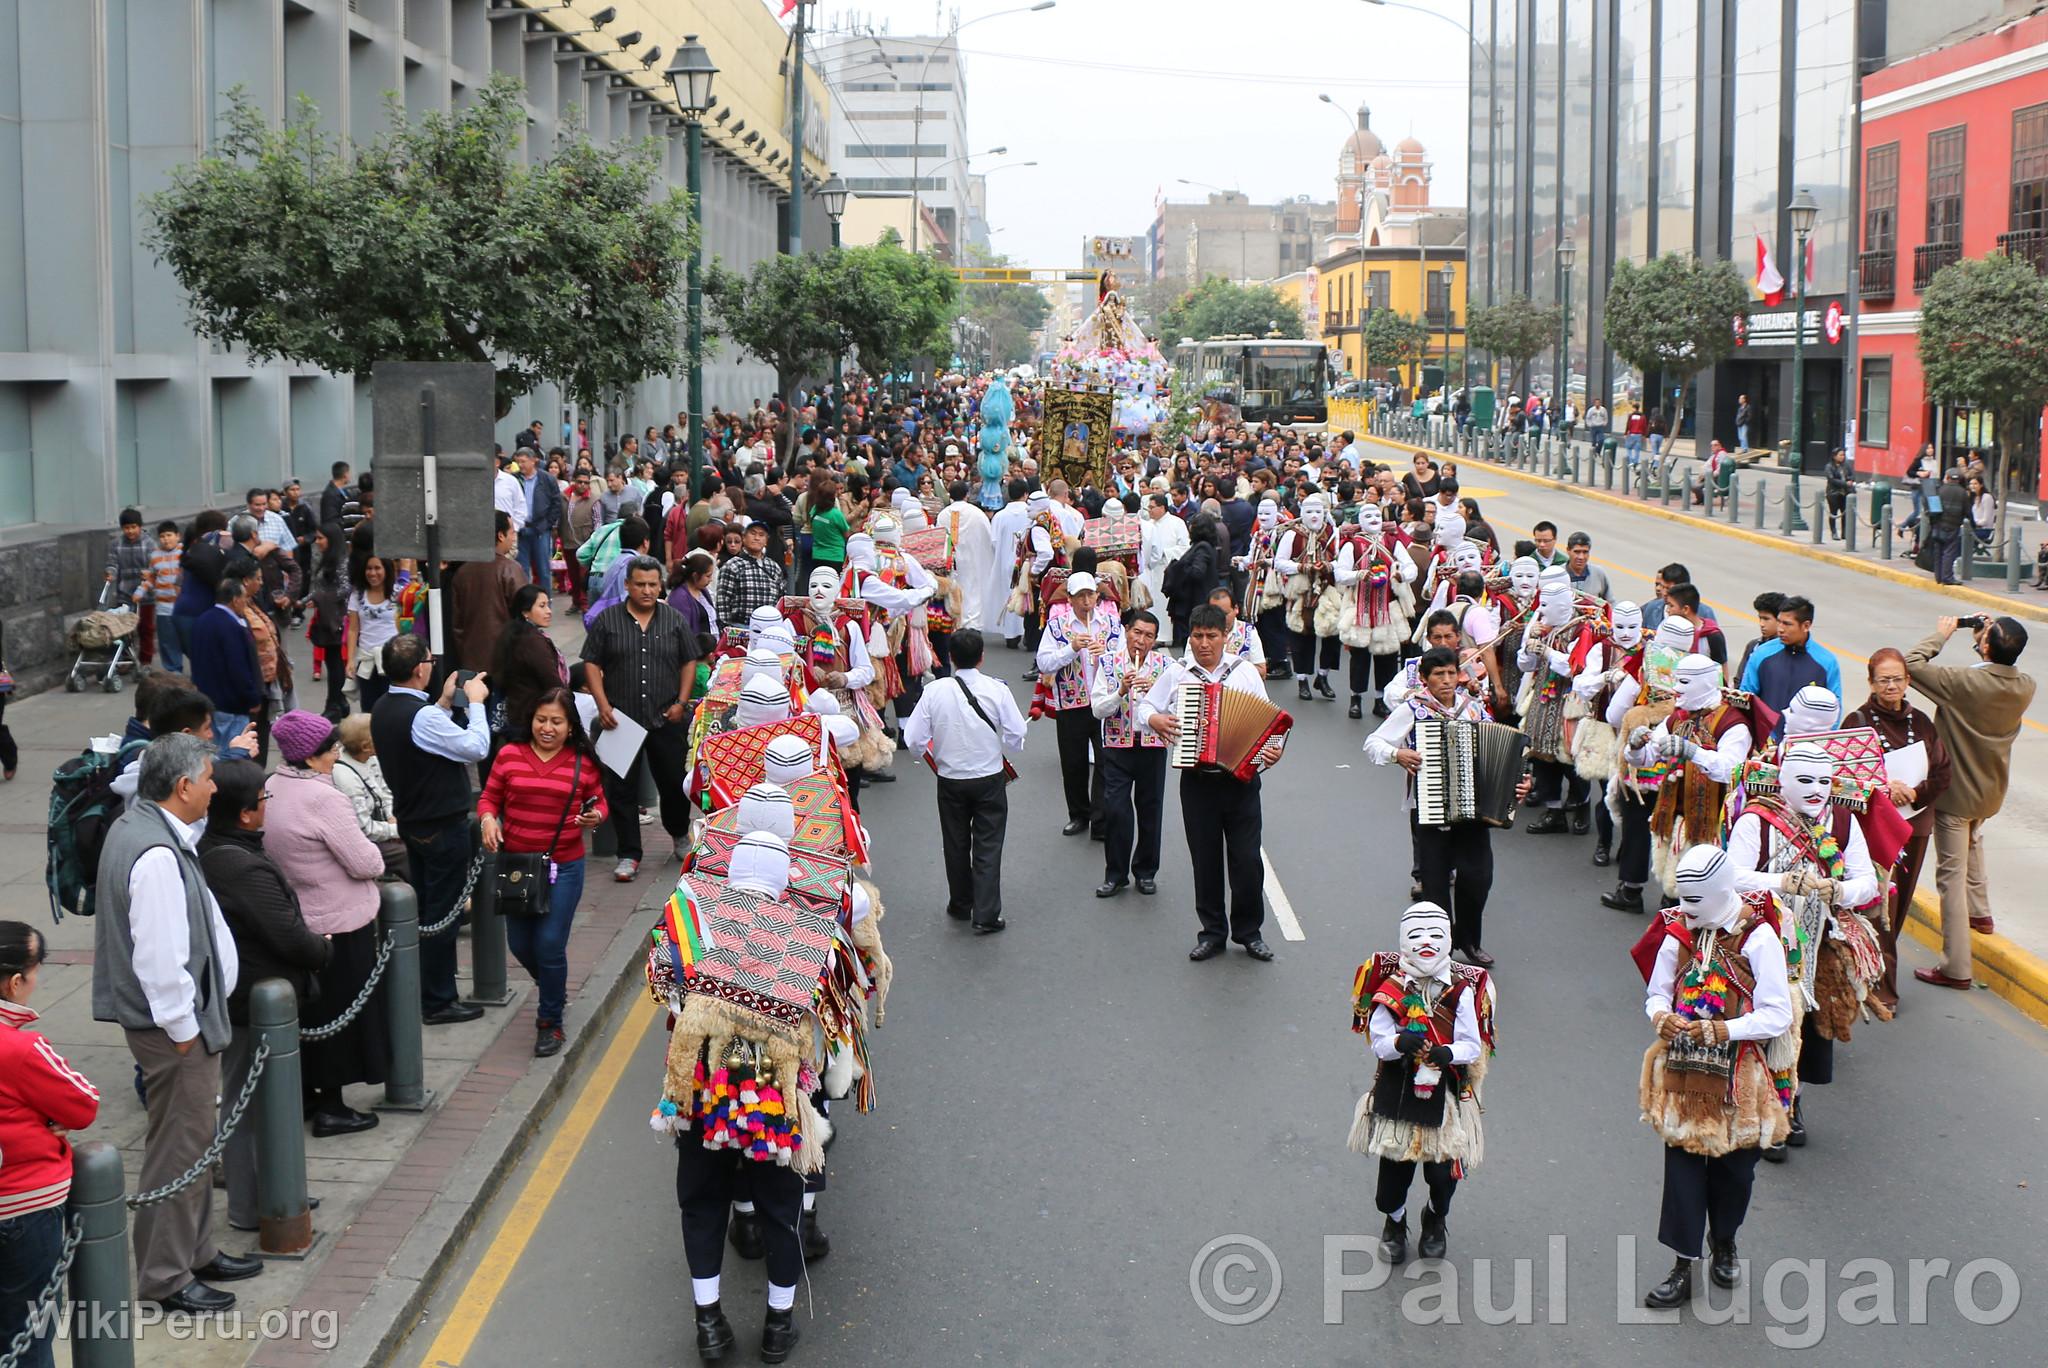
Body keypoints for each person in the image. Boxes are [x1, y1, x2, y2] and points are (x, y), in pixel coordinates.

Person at [91, 733, 261, 1313]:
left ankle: (197, 1252)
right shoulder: (156, 853)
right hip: (174, 1031)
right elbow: (161, 961)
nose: (216, 787)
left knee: (192, 1145)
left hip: (178, 1027)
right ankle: (166, 1276)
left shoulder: (140, 825)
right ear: (184, 787)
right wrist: (186, 1034)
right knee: (180, 1153)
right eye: (209, 778)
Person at [1634, 845, 1794, 1309]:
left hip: (1740, 1076)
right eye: (1681, 899)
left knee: (1736, 1172)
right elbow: (1655, 993)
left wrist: (1725, 1029)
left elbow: (1777, 1014)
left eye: (1694, 901)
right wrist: (1661, 1017)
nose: (1684, 911)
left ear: (1723, 892)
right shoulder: (1676, 932)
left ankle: (1724, 1240)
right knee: (1683, 1166)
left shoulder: (1759, 938)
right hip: (1683, 1070)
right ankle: (1683, 1265)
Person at [197, 758, 332, 1232]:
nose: (268, 805)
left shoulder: (220, 848)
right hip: (253, 1004)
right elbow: (289, 936)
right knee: (247, 1104)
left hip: (250, 998)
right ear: (246, 814)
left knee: (265, 1102)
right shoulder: (241, 867)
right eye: (263, 799)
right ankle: (251, 1206)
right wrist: (321, 949)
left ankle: (278, 1188)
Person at [1347, 901, 1496, 1266]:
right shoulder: (1391, 988)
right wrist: (1399, 1043)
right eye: (1416, 935)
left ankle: (1435, 1218)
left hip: (1445, 1098)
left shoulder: (1461, 990)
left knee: (1443, 1176)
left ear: (1447, 939)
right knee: (1393, 1176)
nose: (1426, 942)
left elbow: (1471, 1045)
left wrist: (1447, 1054)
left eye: (1435, 934)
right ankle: (1394, 1223)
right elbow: (1379, 1040)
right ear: (1403, 942)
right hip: (1399, 1092)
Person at [1136, 603, 1286, 963]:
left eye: (1212, 636)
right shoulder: (1178, 673)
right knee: (1204, 860)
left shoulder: (1245, 672)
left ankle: (1250, 933)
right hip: (1197, 780)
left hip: (1241, 781)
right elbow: (1144, 707)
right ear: (1191, 638)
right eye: (1198, 636)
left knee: (1247, 860)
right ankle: (1212, 933)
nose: (1205, 644)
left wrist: (1273, 749)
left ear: (1226, 637)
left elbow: (1269, 722)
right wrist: (1155, 719)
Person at [264, 711, 389, 1128]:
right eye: (332, 749)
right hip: (341, 921)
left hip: (299, 922)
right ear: (314, 757)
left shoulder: (272, 787)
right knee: (341, 1017)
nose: (336, 756)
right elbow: (364, 861)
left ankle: (306, 1097)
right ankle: (333, 1110)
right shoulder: (325, 798)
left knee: (311, 1017)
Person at [1907, 616, 2035, 989]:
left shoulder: (1964, 683)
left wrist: (1943, 632)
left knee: (1950, 876)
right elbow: (1994, 668)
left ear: (1986, 647)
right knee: (1974, 841)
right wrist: (1986, 642)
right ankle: (1981, 915)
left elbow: (1912, 664)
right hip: (1989, 790)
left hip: (1956, 792)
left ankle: (1956, 967)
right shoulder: (2025, 685)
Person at [480, 687, 607, 1057]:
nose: (546, 728)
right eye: (540, 720)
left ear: (570, 727)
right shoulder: (508, 755)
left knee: (550, 943)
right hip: (517, 867)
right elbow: (489, 797)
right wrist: (488, 818)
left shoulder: (583, 763)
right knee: (520, 944)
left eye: (556, 721)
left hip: (565, 865)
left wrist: (595, 817)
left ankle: (549, 1021)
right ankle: (554, 986)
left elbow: (599, 802)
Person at [371, 635, 490, 1024]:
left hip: (413, 822)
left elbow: (426, 731)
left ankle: (424, 988)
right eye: (428, 661)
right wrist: (475, 703)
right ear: (420, 668)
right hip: (441, 826)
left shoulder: (385, 706)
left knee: (426, 910)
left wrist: (442, 703)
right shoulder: (420, 716)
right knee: (443, 915)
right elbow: (475, 748)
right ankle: (438, 1000)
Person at [1366, 646, 1507, 965]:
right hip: (1430, 811)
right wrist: (1397, 755)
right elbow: (1374, 742)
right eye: (1438, 675)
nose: (1445, 680)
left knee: (1478, 877)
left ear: (1458, 674)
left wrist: (1516, 783)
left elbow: (1498, 747)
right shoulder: (1413, 709)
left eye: (1450, 673)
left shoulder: (1473, 709)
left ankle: (1469, 940)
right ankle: (1440, 948)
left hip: (1473, 811)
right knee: (1435, 886)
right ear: (1426, 680)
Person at [0, 922, 101, 1368]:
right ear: (16, 982)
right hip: (23, 1207)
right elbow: (83, 1104)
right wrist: (44, 1115)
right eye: (37, 968)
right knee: (27, 1335)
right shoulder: (21, 1049)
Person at [1843, 649, 1952, 1011]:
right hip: (1875, 829)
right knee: (1877, 903)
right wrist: (1884, 789)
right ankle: (1879, 985)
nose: (1892, 686)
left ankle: (1877, 975)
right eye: (1884, 679)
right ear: (1871, 682)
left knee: (1899, 905)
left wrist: (1914, 792)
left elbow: (1942, 773)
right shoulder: (1857, 722)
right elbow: (1844, 778)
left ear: (1907, 681)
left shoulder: (1921, 721)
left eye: (1898, 679)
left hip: (1914, 827)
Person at [581, 556, 700, 881]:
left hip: (666, 716)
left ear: (660, 585)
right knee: (620, 790)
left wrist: (682, 701)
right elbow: (591, 662)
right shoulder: (608, 621)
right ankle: (629, 854)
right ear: (628, 586)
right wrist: (602, 704)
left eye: (652, 584)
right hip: (620, 718)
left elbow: (689, 660)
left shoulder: (673, 620)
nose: (647, 590)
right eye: (640, 584)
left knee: (675, 783)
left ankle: (678, 834)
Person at [903, 629, 1027, 933]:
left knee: (955, 842)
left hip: (950, 778)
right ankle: (985, 913)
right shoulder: (997, 690)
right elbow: (1015, 734)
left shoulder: (935, 691)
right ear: (982, 657)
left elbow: (914, 739)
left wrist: (924, 754)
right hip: (988, 776)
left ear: (951, 658)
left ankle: (961, 903)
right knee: (988, 844)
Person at [1090, 608, 1172, 898]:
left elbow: (1176, 709)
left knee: (1151, 810)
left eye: (1148, 636)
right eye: (1137, 632)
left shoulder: (1166, 666)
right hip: (1117, 747)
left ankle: (1146, 872)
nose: (1141, 640)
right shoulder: (1109, 663)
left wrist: (1155, 696)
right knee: (1116, 810)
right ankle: (1115, 874)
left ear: (1154, 640)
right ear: (1126, 631)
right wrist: (1121, 690)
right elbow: (1098, 709)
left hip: (1151, 747)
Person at [1036, 571, 1122, 839]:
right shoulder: (1056, 626)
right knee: (1073, 765)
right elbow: (1044, 663)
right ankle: (1078, 815)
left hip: (1103, 702)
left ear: (1098, 596)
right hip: (1070, 704)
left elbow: (1124, 660)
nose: (1087, 601)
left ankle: (1101, 818)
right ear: (1070, 599)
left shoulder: (1112, 623)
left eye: (1091, 595)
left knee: (1106, 762)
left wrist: (1106, 655)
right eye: (1080, 596)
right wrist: (1071, 648)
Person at [187, 577, 264, 753]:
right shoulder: (231, 627)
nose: (246, 602)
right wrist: (252, 697)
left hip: (207, 701)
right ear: (235, 599)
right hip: (231, 705)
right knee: (233, 754)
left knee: (212, 753)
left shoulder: (202, 620)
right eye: (244, 597)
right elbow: (238, 668)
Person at [1737, 594, 1841, 718]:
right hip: (1766, 736)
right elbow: (1746, 697)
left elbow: (1835, 709)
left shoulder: (1827, 662)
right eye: (1779, 622)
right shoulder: (1761, 653)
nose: (1780, 629)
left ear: (1806, 626)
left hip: (1804, 737)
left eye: (1787, 624)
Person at [450, 511, 530, 673]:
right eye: (512, 532)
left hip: (470, 661)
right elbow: (525, 615)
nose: (513, 537)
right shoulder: (510, 569)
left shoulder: (462, 572)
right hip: (506, 661)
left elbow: (457, 624)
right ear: (501, 535)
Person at [491, 584, 568, 742]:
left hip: (519, 712)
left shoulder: (517, 634)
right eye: (542, 606)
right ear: (525, 612)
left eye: (548, 604)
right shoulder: (532, 642)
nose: (549, 611)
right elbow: (552, 681)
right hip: (530, 716)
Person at [333, 714, 406, 878]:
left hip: (382, 824)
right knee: (407, 852)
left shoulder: (371, 757)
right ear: (366, 746)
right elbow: (365, 829)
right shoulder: (346, 778)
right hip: (364, 840)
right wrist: (397, 831)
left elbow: (385, 790)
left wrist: (391, 816)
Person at [345, 555, 401, 716]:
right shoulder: (357, 595)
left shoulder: (398, 594)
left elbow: (405, 626)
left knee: (391, 708)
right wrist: (350, 660)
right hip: (366, 660)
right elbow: (353, 629)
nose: (372, 573)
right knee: (368, 709)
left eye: (377, 568)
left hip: (392, 660)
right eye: (369, 568)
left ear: (386, 570)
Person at [515, 446, 565, 585]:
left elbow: (556, 504)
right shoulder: (515, 479)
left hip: (541, 530)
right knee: (522, 570)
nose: (520, 465)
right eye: (518, 461)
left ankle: (545, 602)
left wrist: (546, 524)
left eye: (524, 461)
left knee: (543, 571)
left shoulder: (547, 479)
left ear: (533, 461)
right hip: (520, 529)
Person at [1733, 591, 1785, 685]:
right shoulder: (1753, 646)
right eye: (1760, 618)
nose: (1761, 624)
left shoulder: (1788, 649)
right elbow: (1740, 679)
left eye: (1766, 619)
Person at [1563, 531, 1609, 601]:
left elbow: (1610, 602)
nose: (1581, 557)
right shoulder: (1559, 574)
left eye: (1585, 552)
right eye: (1577, 552)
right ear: (1568, 550)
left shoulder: (1598, 573)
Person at [1824, 450, 1851, 540]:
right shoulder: (1829, 466)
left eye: (1843, 455)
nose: (1842, 457)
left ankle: (1845, 533)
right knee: (1833, 513)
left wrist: (1850, 480)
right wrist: (1844, 483)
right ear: (1835, 456)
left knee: (1845, 513)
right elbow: (1832, 479)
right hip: (1833, 493)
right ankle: (1834, 532)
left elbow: (1851, 475)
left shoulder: (1846, 466)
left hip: (1844, 492)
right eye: (1840, 455)